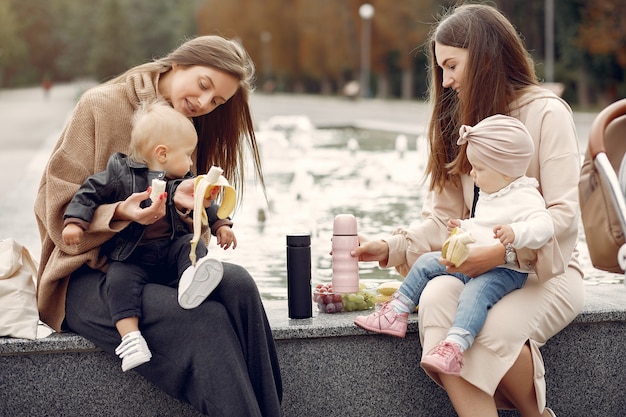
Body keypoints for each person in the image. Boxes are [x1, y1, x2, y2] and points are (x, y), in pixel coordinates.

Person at [352, 4, 583, 417]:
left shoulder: (547, 113)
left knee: (490, 330)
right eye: (440, 68)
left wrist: (503, 253)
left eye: (452, 65)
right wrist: (389, 247)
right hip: (475, 268)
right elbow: (443, 221)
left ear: (486, 57)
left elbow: (563, 217)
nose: (445, 80)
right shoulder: (454, 120)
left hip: (546, 272)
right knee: (438, 296)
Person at [35, 35, 282, 416]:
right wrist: (120, 213)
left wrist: (192, 210)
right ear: (179, 63)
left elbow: (180, 222)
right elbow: (56, 207)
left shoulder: (183, 125)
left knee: (240, 286)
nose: (204, 103)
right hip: (85, 277)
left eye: (216, 101)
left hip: (154, 264)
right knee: (206, 320)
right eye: (203, 85)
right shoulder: (100, 105)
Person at [354, 114, 559, 377]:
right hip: (477, 260)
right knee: (429, 261)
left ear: (505, 169)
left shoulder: (524, 195)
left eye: (479, 169)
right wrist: (464, 228)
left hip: (504, 271)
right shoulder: (492, 191)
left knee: (474, 294)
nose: (472, 174)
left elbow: (545, 226)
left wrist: (516, 232)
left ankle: (454, 346)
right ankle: (396, 311)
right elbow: (483, 225)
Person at [61, 99, 235, 372]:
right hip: (132, 255)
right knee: (117, 280)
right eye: (187, 154)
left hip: (168, 249)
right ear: (162, 153)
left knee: (189, 248)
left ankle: (193, 279)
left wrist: (221, 225)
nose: (191, 161)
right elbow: (88, 193)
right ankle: (131, 339)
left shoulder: (185, 179)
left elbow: (204, 202)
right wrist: (75, 223)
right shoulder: (120, 173)